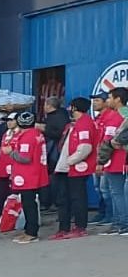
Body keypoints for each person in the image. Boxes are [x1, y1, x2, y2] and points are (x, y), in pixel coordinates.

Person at [51, 97, 97, 239]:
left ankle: (80, 227)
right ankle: (63, 228)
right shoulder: (74, 124)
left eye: (70, 107)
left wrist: (70, 161)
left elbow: (85, 147)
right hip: (65, 168)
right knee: (63, 198)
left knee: (78, 198)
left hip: (76, 168)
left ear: (74, 108)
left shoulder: (85, 123)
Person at [7, 111, 50, 244]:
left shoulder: (28, 136)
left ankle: (32, 233)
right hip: (34, 173)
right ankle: (28, 230)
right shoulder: (37, 134)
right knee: (29, 203)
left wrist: (11, 153)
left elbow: (25, 158)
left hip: (28, 175)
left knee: (28, 204)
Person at [98, 87, 128, 235]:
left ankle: (121, 224)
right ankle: (118, 223)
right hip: (117, 159)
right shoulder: (121, 114)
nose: (107, 101)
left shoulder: (117, 117)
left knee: (117, 192)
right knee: (116, 192)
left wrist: (101, 160)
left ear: (117, 99)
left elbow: (110, 142)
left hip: (116, 159)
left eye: (109, 98)